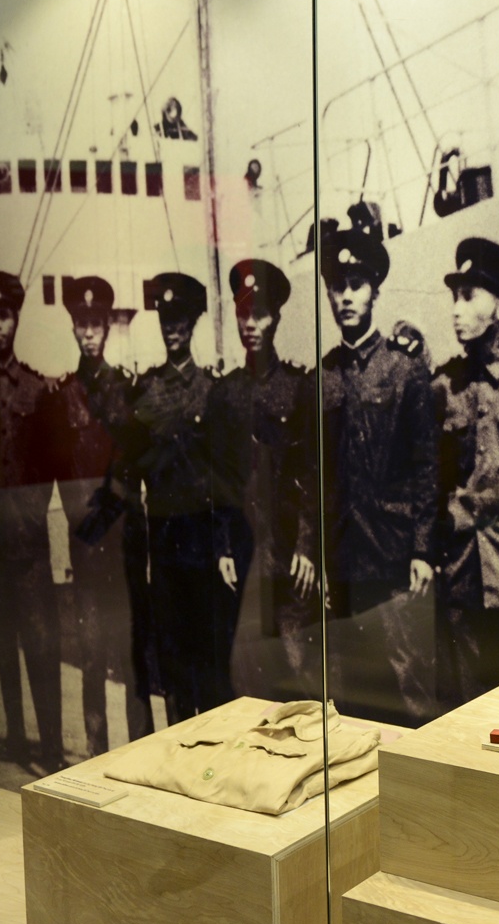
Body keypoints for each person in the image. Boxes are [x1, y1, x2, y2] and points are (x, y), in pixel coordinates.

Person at [297, 228, 438, 724]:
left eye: (356, 285)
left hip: (395, 557)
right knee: (352, 690)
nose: (346, 297)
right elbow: (314, 475)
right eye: (337, 286)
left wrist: (423, 549)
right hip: (345, 559)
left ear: (375, 291)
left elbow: (426, 467)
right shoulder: (322, 378)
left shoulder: (405, 370)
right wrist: (312, 551)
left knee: (408, 686)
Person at [122, 272, 238, 726]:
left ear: (193, 324)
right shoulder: (145, 389)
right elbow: (133, 469)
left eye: (180, 320)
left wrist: (223, 545)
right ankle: (180, 738)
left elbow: (223, 476)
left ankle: (210, 741)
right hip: (163, 543)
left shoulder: (212, 389)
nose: (172, 328)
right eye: (165, 319)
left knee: (205, 650)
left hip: (203, 542)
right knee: (171, 653)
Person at [45, 275, 150, 756]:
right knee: (90, 650)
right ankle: (96, 751)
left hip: (123, 540)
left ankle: (141, 750)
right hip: (87, 544)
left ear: (107, 327)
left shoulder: (128, 388)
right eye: (81, 323)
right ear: (73, 328)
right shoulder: (62, 395)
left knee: (128, 648)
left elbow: (137, 465)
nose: (89, 333)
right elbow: (59, 473)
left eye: (96, 324)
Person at [205, 259, 315, 698]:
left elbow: (310, 473)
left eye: (261, 314)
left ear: (277, 318)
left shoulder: (298, 387)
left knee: (297, 672)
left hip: (287, 556)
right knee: (245, 676)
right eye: (243, 313)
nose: (250, 324)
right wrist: (222, 548)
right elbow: (217, 480)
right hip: (242, 554)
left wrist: (306, 545)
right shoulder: (224, 393)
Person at [0, 270, 64, 774]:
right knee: (3, 642)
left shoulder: (36, 388)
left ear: (17, 320)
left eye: (5, 317)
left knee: (40, 643)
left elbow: (53, 466)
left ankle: (51, 748)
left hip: (28, 544)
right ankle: (14, 736)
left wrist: (34, 515)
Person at [432, 237, 499, 707]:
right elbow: (431, 478)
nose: (456, 310)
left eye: (468, 296)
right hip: (461, 568)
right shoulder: (444, 386)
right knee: (464, 702)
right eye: (454, 297)